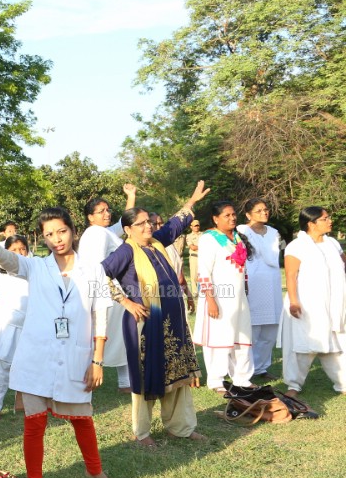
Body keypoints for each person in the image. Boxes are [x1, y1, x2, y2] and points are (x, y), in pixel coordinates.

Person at [0, 207, 120, 478]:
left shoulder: (94, 269)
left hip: (76, 356)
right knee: (35, 424)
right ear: (42, 238)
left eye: (61, 231)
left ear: (73, 230)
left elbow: (101, 312)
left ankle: (95, 471)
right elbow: (1, 255)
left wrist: (97, 360)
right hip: (36, 357)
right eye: (49, 234)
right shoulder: (36, 267)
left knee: (83, 420)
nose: (57, 239)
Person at [102, 183, 211, 448]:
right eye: (140, 224)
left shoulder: (158, 242)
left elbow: (176, 223)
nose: (148, 227)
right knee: (146, 374)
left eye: (148, 222)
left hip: (172, 322)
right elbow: (99, 275)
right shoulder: (126, 250)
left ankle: (180, 427)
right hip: (145, 324)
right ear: (128, 229)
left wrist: (193, 200)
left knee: (177, 373)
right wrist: (125, 301)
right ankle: (142, 433)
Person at [78, 184, 138, 391]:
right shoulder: (96, 233)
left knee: (122, 336)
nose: (106, 213)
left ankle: (126, 382)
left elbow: (124, 223)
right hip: (106, 292)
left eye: (107, 210)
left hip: (112, 291)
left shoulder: (104, 232)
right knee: (101, 337)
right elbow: (97, 268)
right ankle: (86, 378)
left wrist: (131, 196)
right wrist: (118, 296)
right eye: (101, 211)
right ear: (90, 217)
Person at [281, 206, 346, 394]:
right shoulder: (296, 246)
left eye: (328, 217)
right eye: (325, 218)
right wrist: (294, 301)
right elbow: (291, 276)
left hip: (334, 301)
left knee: (337, 342)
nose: (330, 221)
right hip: (307, 303)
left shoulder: (332, 243)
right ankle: (293, 385)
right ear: (311, 223)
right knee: (304, 345)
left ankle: (343, 383)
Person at [194, 201, 254, 392]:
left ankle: (242, 378)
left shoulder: (237, 237)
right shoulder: (209, 239)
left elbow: (242, 268)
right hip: (218, 296)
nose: (232, 218)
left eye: (233, 214)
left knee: (242, 337)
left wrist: (245, 290)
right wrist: (210, 300)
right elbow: (203, 271)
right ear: (215, 219)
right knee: (219, 338)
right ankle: (216, 380)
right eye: (227, 215)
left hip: (238, 297)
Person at [0, 235, 30, 420]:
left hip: (28, 329)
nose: (19, 253)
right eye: (14, 250)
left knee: (26, 367)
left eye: (22, 249)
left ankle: (21, 402)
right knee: (1, 368)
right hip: (5, 329)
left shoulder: (33, 273)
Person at [237, 199, 284, 380]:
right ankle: (244, 370)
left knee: (270, 330)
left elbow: (280, 253)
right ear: (248, 215)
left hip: (272, 282)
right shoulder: (242, 231)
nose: (264, 213)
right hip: (252, 283)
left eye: (266, 209)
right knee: (252, 329)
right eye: (259, 210)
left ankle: (261, 368)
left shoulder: (274, 232)